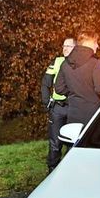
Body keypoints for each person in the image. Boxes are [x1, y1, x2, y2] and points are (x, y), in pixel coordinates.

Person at [53, 29, 100, 129]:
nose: (97, 46)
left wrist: (74, 93)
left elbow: (59, 88)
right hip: (93, 113)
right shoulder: (94, 63)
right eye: (95, 42)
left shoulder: (65, 63)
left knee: (75, 143)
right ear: (88, 43)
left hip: (73, 113)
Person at [41, 36, 76, 170]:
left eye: (68, 46)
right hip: (58, 108)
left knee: (72, 144)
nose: (65, 48)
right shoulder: (57, 61)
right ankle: (52, 171)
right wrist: (46, 102)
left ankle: (69, 171)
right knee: (55, 143)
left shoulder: (80, 62)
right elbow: (45, 83)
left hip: (74, 107)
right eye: (64, 46)